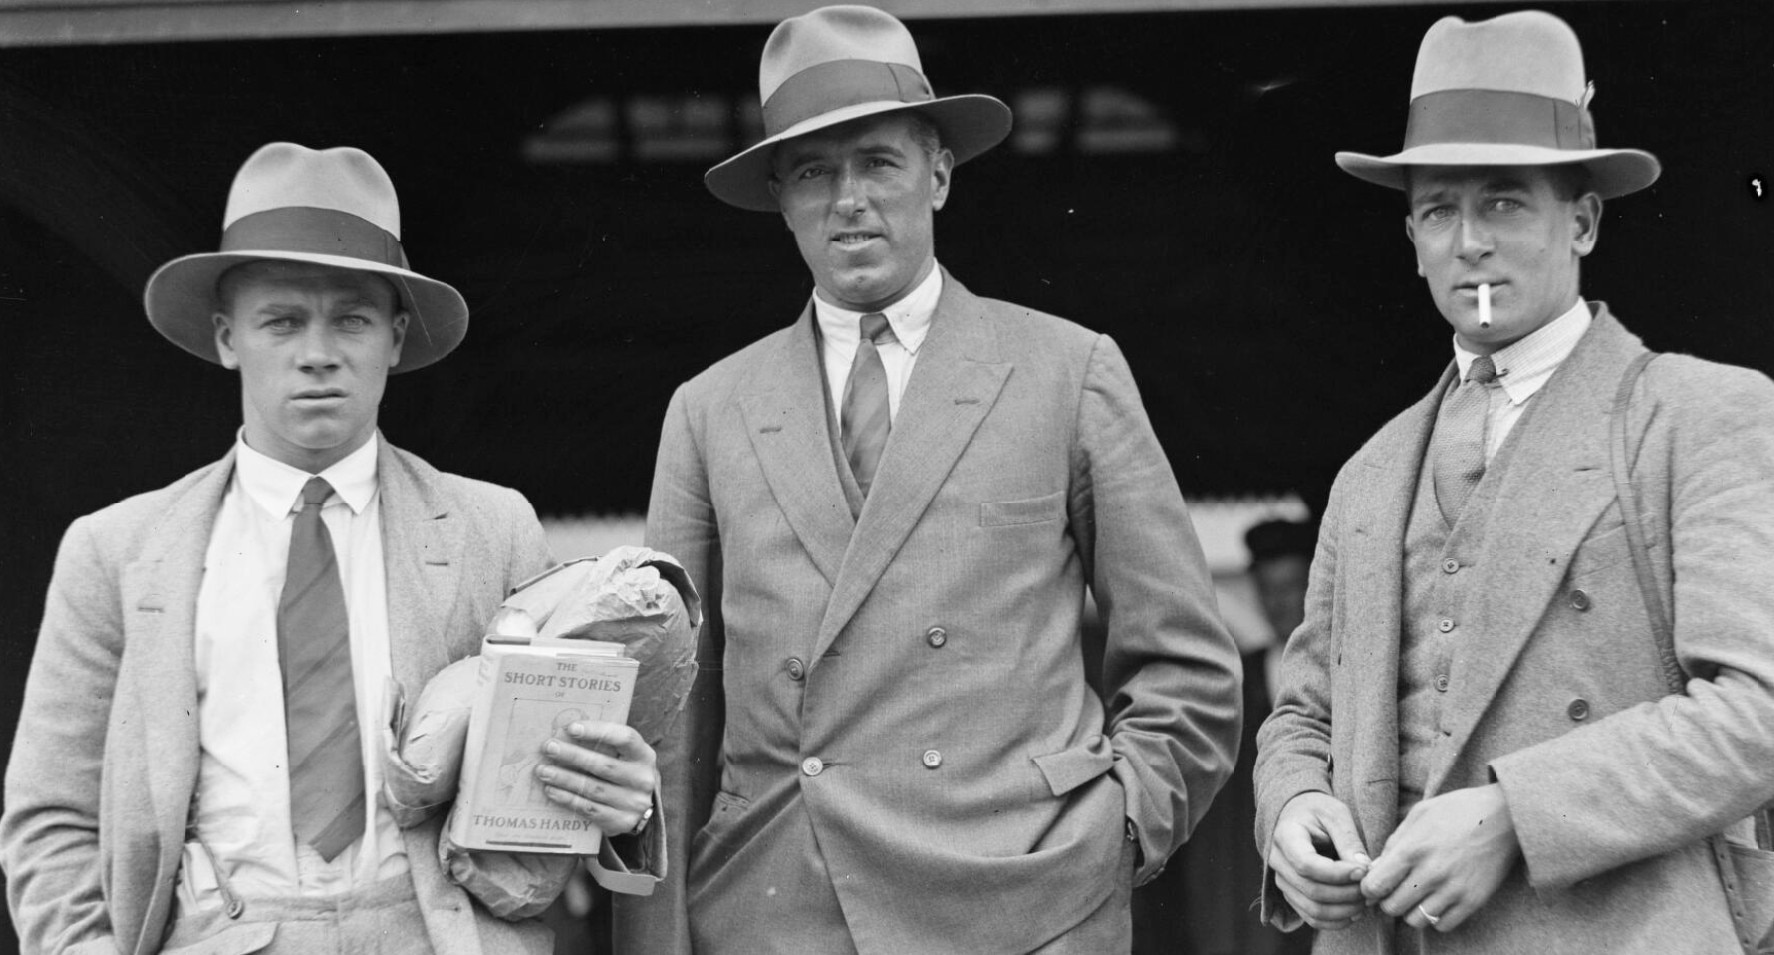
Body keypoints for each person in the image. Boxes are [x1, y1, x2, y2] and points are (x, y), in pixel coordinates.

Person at [616, 6, 1241, 953]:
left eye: (879, 162)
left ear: (940, 174)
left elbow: (1187, 666)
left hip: (1021, 903)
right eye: (815, 172)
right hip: (779, 909)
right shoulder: (709, 409)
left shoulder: (1067, 371)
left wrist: (1108, 835)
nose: (849, 199)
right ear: (779, 197)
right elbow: (673, 719)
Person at [0, 142, 660, 955]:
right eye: (281, 319)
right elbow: (51, 813)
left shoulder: (493, 528)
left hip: (430, 932)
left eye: (351, 316)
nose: (318, 350)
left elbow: (550, 789)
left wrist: (622, 797)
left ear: (394, 335)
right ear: (225, 337)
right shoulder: (118, 550)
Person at [1254, 10, 1774, 954]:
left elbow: (1759, 711)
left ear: (1581, 221)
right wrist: (1292, 806)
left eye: (1504, 203)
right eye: (1441, 210)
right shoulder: (1370, 472)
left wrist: (1514, 815)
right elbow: (1303, 712)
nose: (1471, 243)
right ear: (1411, 236)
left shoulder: (1697, 415)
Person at [1142, 519, 1317, 955]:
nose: (1279, 603)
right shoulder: (1235, 682)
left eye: (1291, 585)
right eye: (1267, 588)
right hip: (1244, 887)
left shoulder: (1341, 676)